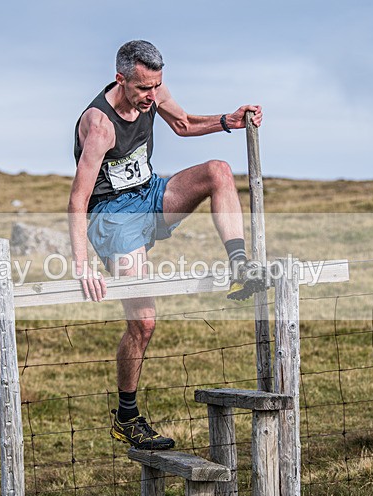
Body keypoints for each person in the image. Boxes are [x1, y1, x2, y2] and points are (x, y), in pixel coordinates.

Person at [69, 40, 264, 450]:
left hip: (150, 195)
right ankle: (127, 417)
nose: (152, 97)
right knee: (144, 323)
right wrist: (82, 265)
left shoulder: (154, 92)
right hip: (112, 217)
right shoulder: (99, 125)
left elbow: (184, 124)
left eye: (156, 87)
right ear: (121, 79)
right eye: (143, 89)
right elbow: (78, 199)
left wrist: (229, 120)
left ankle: (240, 265)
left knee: (218, 171)